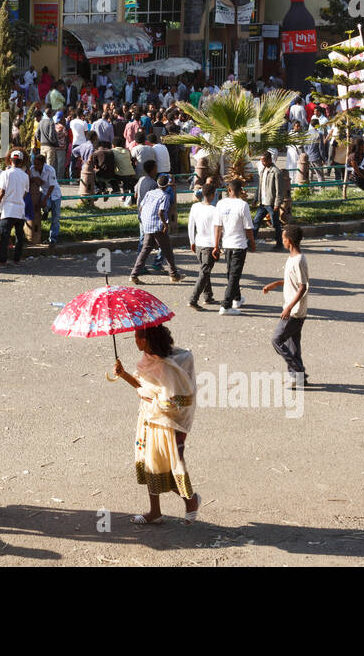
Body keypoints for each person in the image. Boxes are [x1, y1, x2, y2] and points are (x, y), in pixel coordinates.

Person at [111, 324, 199, 525]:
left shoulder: (168, 366)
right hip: (150, 419)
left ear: (146, 340)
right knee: (149, 463)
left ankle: (191, 501)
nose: (134, 340)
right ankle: (155, 512)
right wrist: (124, 374)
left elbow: (179, 400)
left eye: (137, 337)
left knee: (169, 466)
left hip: (169, 424)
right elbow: (143, 387)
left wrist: (151, 399)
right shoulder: (147, 360)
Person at [261, 225, 311, 386]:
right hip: (292, 309)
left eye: (283, 238)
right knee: (293, 344)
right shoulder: (291, 258)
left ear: (288, 240)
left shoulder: (299, 260)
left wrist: (289, 308)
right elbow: (293, 281)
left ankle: (298, 371)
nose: (282, 241)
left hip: (295, 312)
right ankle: (297, 378)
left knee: (276, 340)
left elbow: (303, 286)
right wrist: (275, 284)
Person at [130, 174, 183, 285]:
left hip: (147, 225)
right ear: (167, 185)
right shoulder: (165, 196)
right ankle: (174, 275)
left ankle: (134, 275)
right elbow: (161, 212)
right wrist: (165, 224)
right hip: (158, 226)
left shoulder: (150, 193)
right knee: (167, 250)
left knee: (145, 250)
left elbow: (141, 207)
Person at [213, 178, 255, 316]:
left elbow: (217, 226)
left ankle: (236, 298)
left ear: (229, 190)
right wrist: (253, 243)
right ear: (241, 190)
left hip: (227, 244)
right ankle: (226, 305)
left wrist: (216, 245)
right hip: (239, 244)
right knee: (234, 275)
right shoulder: (243, 205)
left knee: (231, 272)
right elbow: (248, 228)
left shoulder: (221, 204)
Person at [186, 186, 220, 311]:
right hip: (209, 245)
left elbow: (191, 225)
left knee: (205, 270)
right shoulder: (214, 210)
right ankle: (193, 299)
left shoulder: (195, 207)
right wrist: (217, 245)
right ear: (212, 195)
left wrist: (192, 241)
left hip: (199, 243)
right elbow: (218, 229)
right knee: (204, 272)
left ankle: (208, 295)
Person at [0, 150, 30, 267]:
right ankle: (16, 260)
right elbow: (25, 193)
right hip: (20, 210)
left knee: (4, 237)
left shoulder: (5, 174)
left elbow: (1, 193)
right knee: (20, 237)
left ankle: (2, 262)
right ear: (21, 162)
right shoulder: (25, 176)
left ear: (10, 161)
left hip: (8, 209)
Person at [30, 152, 61, 248]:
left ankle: (53, 239)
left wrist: (45, 199)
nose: (35, 166)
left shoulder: (50, 170)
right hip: (43, 191)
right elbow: (31, 180)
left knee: (55, 218)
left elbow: (52, 186)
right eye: (34, 163)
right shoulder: (32, 169)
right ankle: (46, 210)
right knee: (42, 204)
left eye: (38, 164)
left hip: (54, 193)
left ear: (43, 164)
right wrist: (35, 179)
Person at [254, 152, 284, 249]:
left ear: (269, 160)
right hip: (262, 203)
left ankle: (279, 243)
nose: (262, 163)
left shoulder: (276, 172)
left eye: (264, 161)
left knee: (275, 224)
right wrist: (255, 199)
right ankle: (251, 242)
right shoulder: (263, 171)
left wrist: (277, 204)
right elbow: (259, 187)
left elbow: (279, 190)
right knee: (256, 221)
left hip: (271, 203)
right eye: (261, 161)